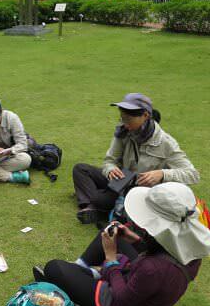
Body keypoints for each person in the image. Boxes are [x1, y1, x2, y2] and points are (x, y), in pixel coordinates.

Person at [33, 182, 210, 306]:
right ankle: (81, 271)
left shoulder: (152, 269)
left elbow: (122, 300)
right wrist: (135, 239)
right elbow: (164, 253)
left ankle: (80, 283)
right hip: (147, 290)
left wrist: (111, 260)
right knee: (111, 233)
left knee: (54, 267)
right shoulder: (190, 251)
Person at [73, 93, 199, 224]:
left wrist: (162, 174)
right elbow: (110, 160)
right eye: (122, 118)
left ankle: (94, 205)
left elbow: (192, 175)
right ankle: (93, 206)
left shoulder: (166, 143)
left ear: (145, 116)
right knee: (80, 169)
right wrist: (111, 169)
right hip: (121, 180)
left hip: (141, 191)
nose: (124, 124)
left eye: (128, 119)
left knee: (100, 199)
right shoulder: (122, 132)